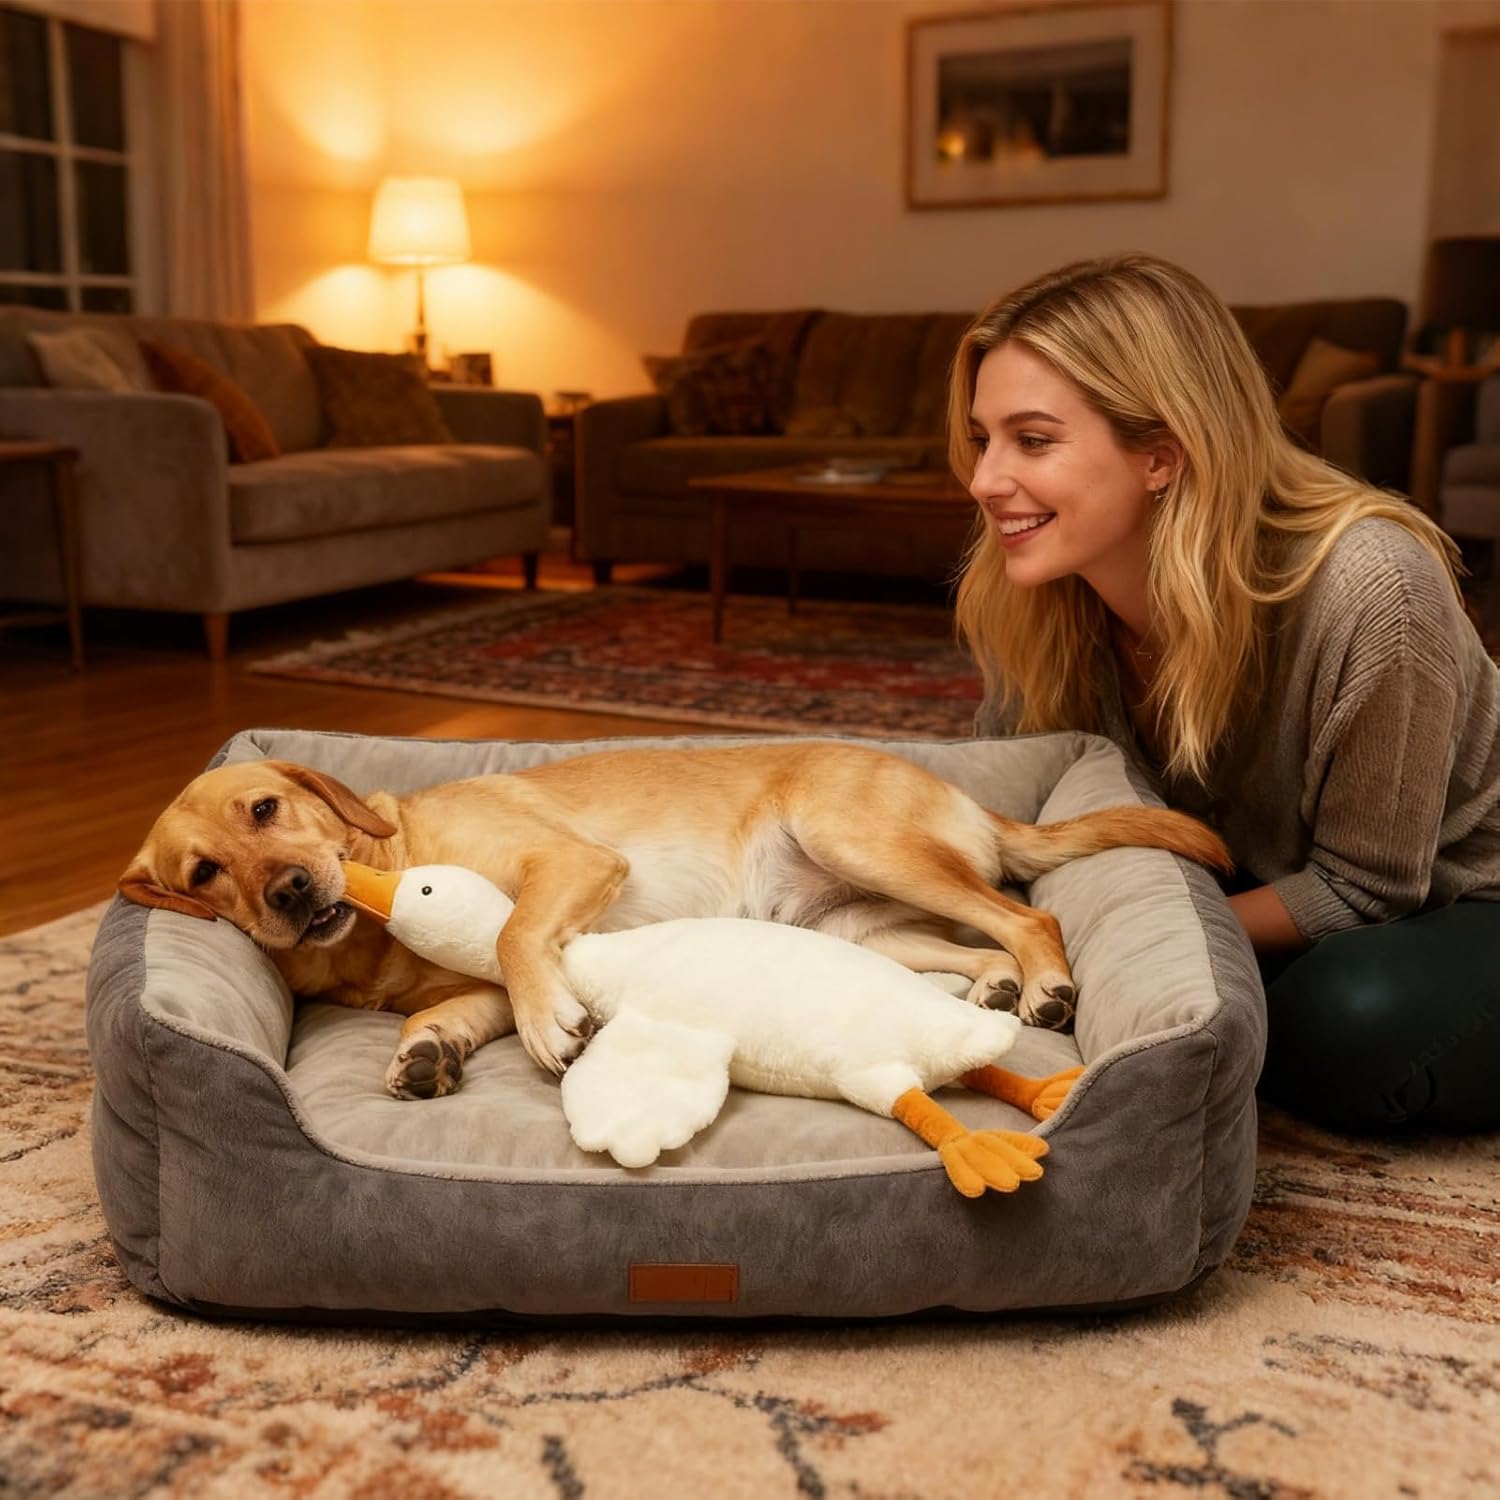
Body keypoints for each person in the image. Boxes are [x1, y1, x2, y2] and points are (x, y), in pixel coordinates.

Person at [951, 252, 1500, 1133]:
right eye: (984, 438)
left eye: (1034, 440)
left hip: (1454, 894)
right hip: (1241, 876)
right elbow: (1027, 813)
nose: (984, 480)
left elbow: (1368, 889)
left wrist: (1122, 941)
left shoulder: (1373, 585)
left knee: (1348, 1022)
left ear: (1161, 454)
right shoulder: (1033, 592)